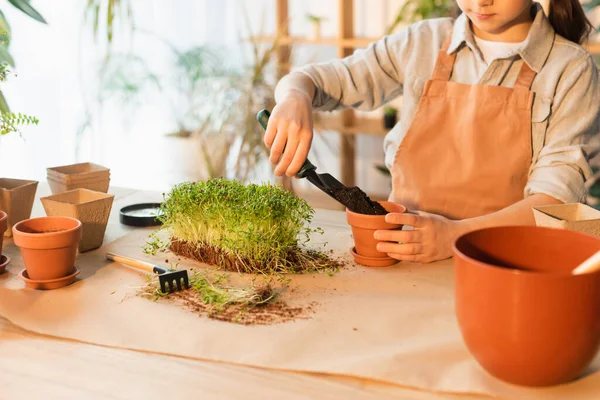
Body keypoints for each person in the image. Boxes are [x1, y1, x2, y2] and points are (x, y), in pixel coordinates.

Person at [264, 0, 600, 263]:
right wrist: (295, 96)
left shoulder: (570, 70)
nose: (480, 2)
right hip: (402, 257)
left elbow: (556, 201)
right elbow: (319, 79)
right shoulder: (421, 42)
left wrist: (454, 236)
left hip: (504, 267)